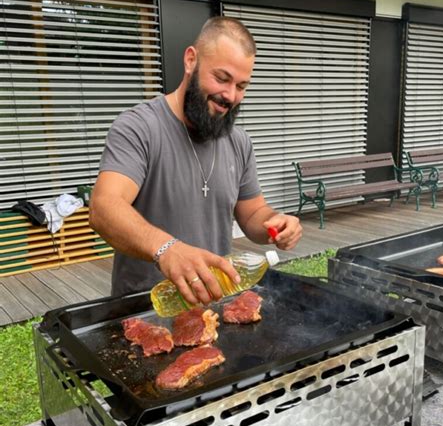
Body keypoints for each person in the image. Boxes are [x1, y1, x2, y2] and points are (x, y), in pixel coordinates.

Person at [90, 16, 302, 304]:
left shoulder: (239, 142)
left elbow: (252, 214)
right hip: (145, 310)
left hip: (213, 302)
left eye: (241, 86)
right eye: (222, 78)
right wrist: (167, 249)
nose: (230, 96)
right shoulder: (139, 127)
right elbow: (104, 207)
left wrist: (275, 223)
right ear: (191, 60)